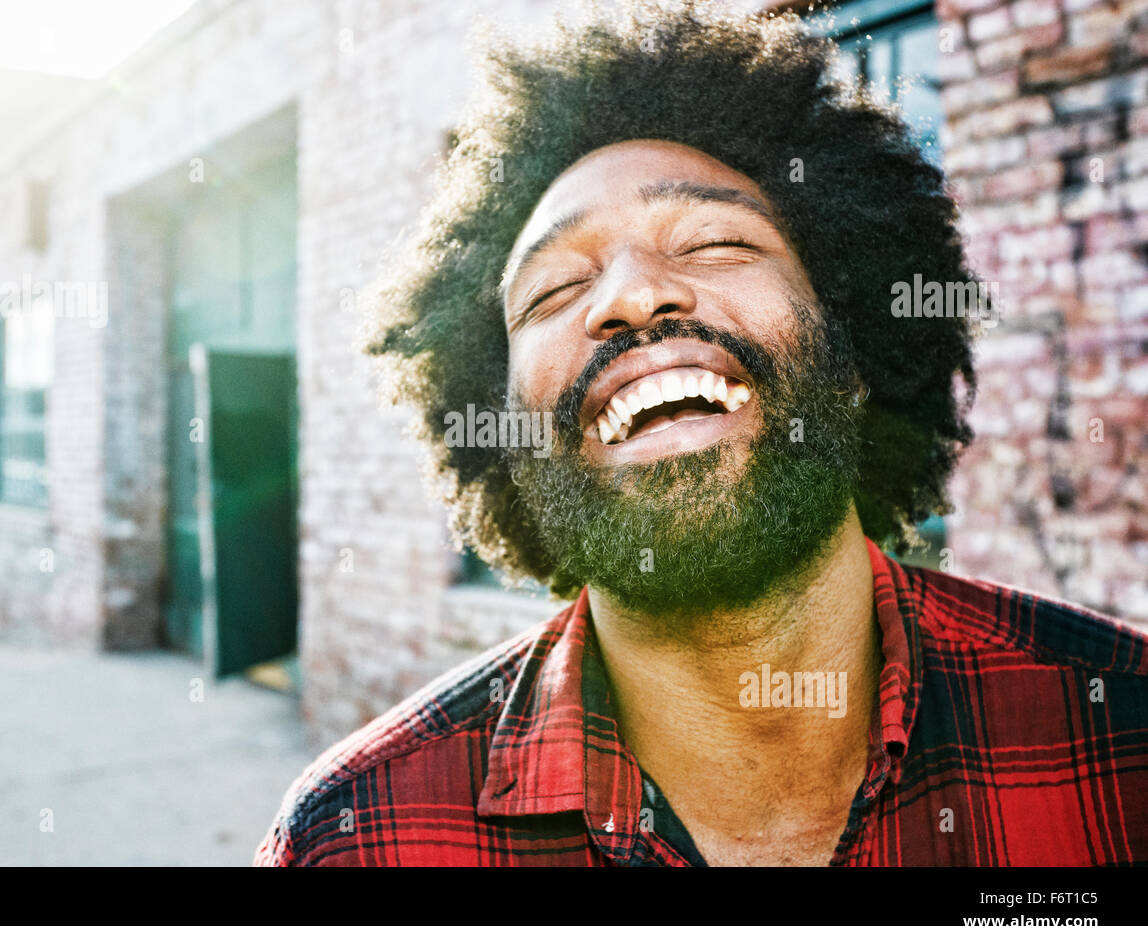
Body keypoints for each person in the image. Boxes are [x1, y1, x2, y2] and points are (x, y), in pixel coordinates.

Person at [255, 2, 1148, 866]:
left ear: (855, 332)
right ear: (503, 435)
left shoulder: (1123, 735)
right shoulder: (356, 838)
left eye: (715, 242)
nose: (632, 297)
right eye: (554, 290)